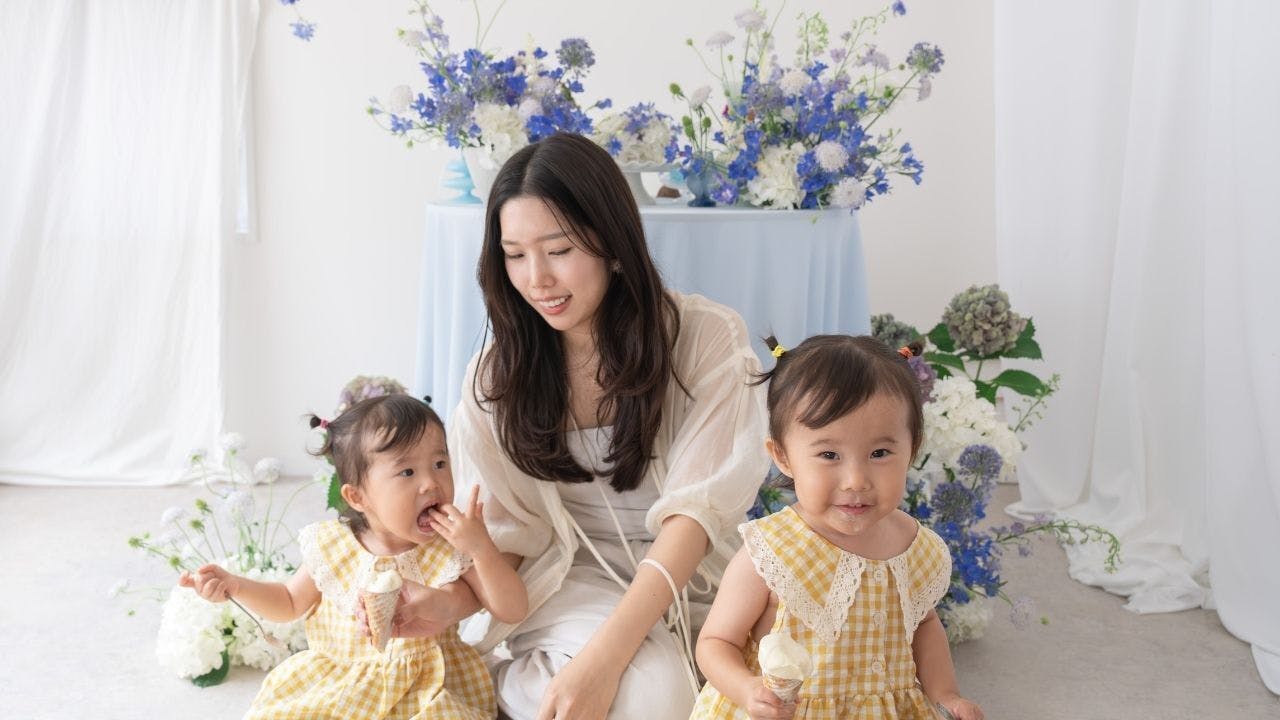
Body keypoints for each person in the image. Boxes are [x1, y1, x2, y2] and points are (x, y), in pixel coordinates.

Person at [392, 132, 769, 720]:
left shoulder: (704, 338)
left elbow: (696, 517)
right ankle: (528, 680)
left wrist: (604, 659)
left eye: (558, 249)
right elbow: (509, 539)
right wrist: (448, 601)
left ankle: (534, 689)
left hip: (691, 574)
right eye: (515, 255)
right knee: (655, 697)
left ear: (611, 242)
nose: (536, 278)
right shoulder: (495, 377)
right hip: (568, 581)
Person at [178, 393, 528, 719]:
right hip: (341, 683)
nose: (430, 483)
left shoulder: (450, 545)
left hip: (428, 688)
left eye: (439, 463)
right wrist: (237, 586)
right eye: (407, 472)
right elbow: (288, 602)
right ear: (358, 498)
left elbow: (512, 609)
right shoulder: (332, 546)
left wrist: (481, 548)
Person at [690, 336, 984, 720]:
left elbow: (924, 625)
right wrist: (747, 688)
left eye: (880, 453)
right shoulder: (772, 551)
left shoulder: (916, 547)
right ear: (783, 456)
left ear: (912, 448)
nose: (856, 480)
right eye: (829, 454)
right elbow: (715, 642)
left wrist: (946, 694)